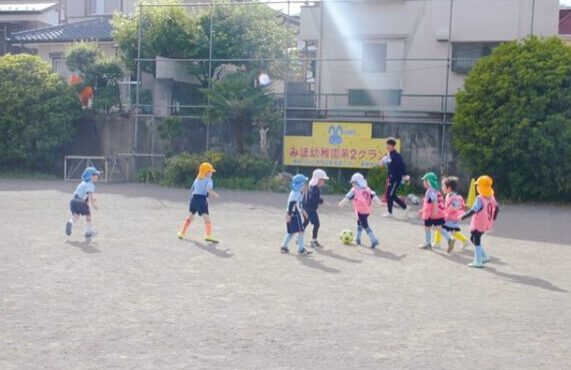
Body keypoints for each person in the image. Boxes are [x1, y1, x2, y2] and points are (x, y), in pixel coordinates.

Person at [461, 175, 499, 268]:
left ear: (481, 187)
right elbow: (497, 208)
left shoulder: (480, 199)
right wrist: (493, 218)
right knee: (473, 238)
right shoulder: (491, 197)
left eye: (478, 185)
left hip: (479, 223)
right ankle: (484, 256)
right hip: (486, 222)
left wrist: (463, 217)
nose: (477, 187)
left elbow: (473, 210)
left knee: (476, 239)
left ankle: (478, 261)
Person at [177, 162, 220, 243]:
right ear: (206, 172)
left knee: (190, 216)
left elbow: (192, 189)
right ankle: (209, 236)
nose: (212, 173)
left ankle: (181, 233)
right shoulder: (209, 180)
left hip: (194, 199)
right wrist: (215, 194)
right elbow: (208, 189)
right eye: (210, 172)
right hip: (201, 200)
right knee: (206, 218)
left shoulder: (197, 179)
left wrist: (204, 195)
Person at [339, 173, 381, 249]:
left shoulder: (354, 191)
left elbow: (347, 198)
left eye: (353, 182)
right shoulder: (367, 189)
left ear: (356, 182)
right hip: (368, 210)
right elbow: (374, 196)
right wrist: (380, 203)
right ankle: (358, 238)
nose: (352, 184)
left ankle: (374, 240)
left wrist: (341, 204)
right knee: (359, 222)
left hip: (361, 211)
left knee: (365, 225)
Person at [436, 176, 471, 253]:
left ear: (449, 188)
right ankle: (465, 241)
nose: (442, 188)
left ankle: (437, 243)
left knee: (438, 225)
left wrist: (445, 211)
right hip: (452, 218)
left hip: (451, 218)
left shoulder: (455, 197)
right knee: (453, 231)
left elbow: (455, 206)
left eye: (443, 186)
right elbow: (461, 205)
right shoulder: (451, 195)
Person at [65, 167, 100, 239]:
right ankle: (88, 232)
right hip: (81, 202)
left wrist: (92, 199)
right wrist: (94, 205)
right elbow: (89, 198)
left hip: (73, 201)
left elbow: (80, 194)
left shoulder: (82, 183)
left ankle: (70, 222)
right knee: (88, 216)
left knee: (76, 217)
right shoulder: (91, 185)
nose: (97, 176)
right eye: (95, 174)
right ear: (91, 176)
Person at [281, 174, 312, 255]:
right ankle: (301, 250)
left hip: (292, 213)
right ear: (300, 185)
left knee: (291, 232)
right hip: (294, 214)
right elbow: (292, 204)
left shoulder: (297, 192)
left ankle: (284, 247)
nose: (306, 186)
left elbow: (297, 204)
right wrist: (290, 215)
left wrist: (302, 212)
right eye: (305, 184)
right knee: (301, 231)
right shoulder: (296, 193)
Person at [418, 172, 450, 250]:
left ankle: (428, 244)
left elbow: (434, 200)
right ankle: (450, 239)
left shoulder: (430, 190)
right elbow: (430, 202)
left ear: (428, 181)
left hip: (431, 214)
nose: (423, 183)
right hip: (437, 213)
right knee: (439, 227)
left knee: (427, 227)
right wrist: (423, 210)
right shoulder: (435, 190)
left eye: (424, 181)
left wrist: (434, 212)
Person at [379, 138, 408, 218]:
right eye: (386, 145)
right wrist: (382, 162)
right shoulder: (389, 155)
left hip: (396, 178)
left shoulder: (396, 155)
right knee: (392, 195)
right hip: (391, 178)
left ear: (392, 145)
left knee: (390, 194)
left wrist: (405, 175)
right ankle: (405, 207)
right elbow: (384, 164)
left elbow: (402, 166)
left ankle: (390, 212)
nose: (387, 146)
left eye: (388, 145)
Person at [303, 169, 329, 248]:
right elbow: (313, 198)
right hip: (310, 209)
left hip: (306, 208)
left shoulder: (310, 186)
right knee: (317, 224)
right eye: (323, 180)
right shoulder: (314, 188)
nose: (324, 182)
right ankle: (314, 240)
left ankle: (298, 237)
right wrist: (321, 201)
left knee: (306, 222)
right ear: (317, 180)